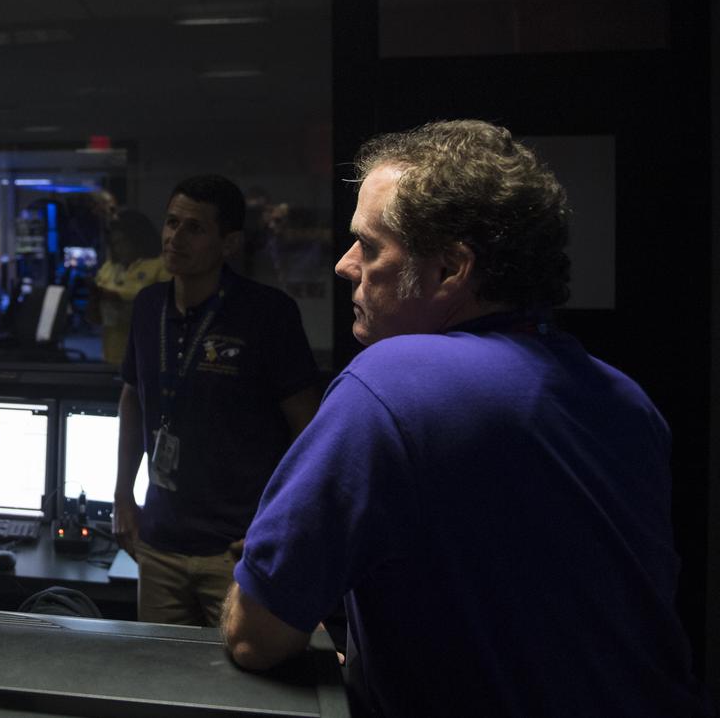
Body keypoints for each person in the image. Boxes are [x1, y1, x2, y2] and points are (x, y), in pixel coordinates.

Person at [222, 120, 712, 717]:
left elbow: (256, 637)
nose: (345, 265)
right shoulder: (631, 404)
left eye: (370, 246)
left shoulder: (391, 380)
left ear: (451, 270)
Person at [114, 173, 321, 626]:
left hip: (237, 545)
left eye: (195, 228)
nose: (175, 237)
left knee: (240, 683)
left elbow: (310, 429)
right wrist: (122, 496)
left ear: (229, 244)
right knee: (161, 681)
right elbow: (133, 398)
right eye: (171, 223)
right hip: (161, 541)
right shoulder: (149, 307)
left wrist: (281, 523)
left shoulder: (267, 314)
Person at [89, 208, 171, 365]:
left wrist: (118, 297)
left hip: (147, 356)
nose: (119, 249)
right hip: (112, 353)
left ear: (138, 239)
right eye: (114, 243)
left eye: (123, 242)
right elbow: (95, 316)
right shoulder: (109, 267)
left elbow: (163, 308)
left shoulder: (161, 267)